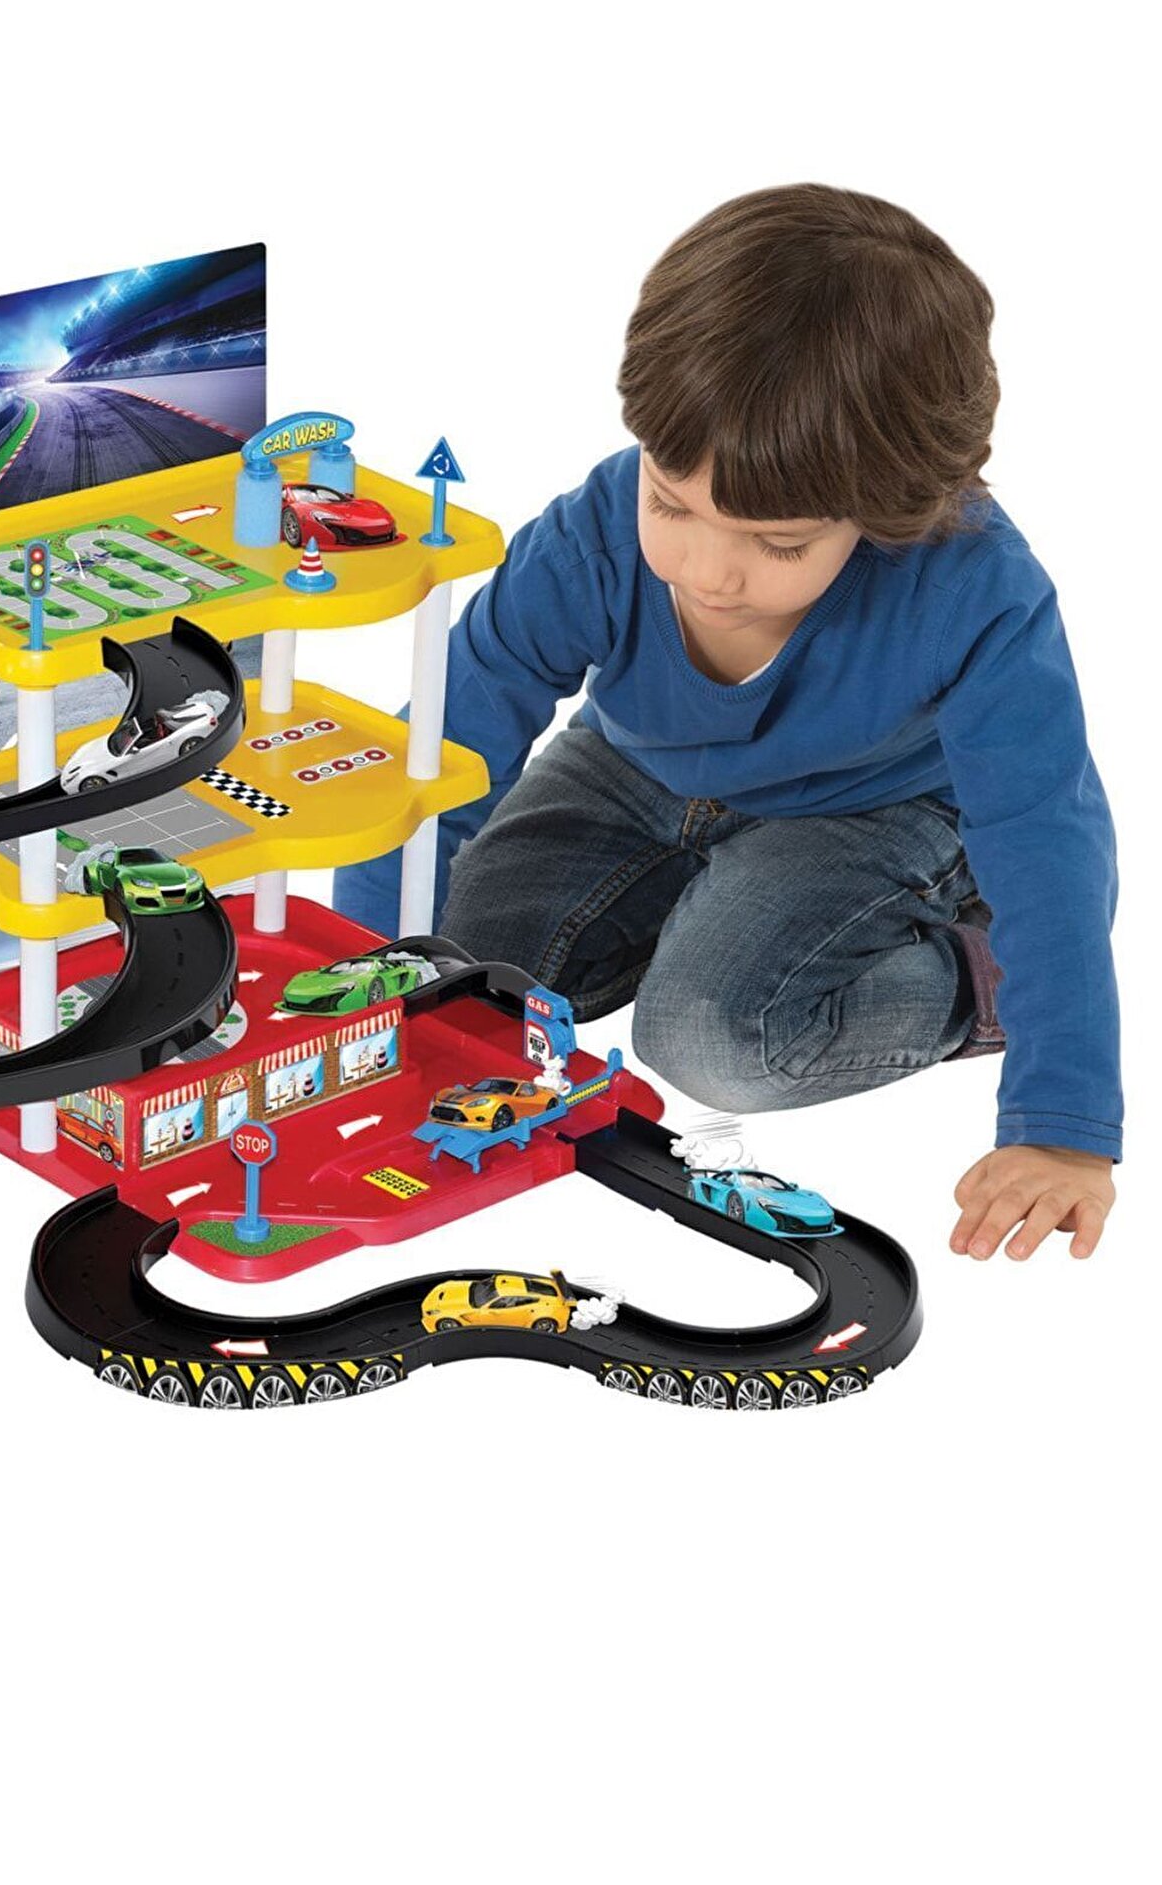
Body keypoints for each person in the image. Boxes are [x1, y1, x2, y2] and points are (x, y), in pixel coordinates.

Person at [333, 185, 1121, 1259]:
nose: (706, 571)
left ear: (884, 512)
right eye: (671, 502)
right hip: (627, 771)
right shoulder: (593, 534)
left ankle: (965, 983)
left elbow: (1046, 837)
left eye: (779, 544)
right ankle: (693, 912)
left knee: (711, 1040)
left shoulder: (973, 588)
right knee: (461, 986)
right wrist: (365, 991)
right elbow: (434, 756)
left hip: (872, 811)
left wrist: (1062, 1121)